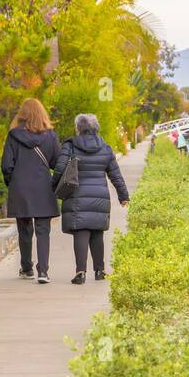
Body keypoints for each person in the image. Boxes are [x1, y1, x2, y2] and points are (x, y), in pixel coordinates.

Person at [52, 113, 130, 285]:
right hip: (100, 196)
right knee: (97, 232)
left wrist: (52, 187)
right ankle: (100, 270)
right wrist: (123, 195)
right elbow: (115, 174)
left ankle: (80, 272)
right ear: (96, 128)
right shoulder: (105, 147)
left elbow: (59, 168)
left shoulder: (70, 145)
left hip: (77, 195)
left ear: (78, 128)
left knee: (81, 232)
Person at [0, 98, 60, 284]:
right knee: (43, 230)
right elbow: (57, 163)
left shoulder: (13, 135)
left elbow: (6, 165)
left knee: (24, 230)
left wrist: (14, 182)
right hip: (43, 187)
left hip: (21, 188)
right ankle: (43, 271)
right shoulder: (51, 136)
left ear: (23, 114)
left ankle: (26, 268)